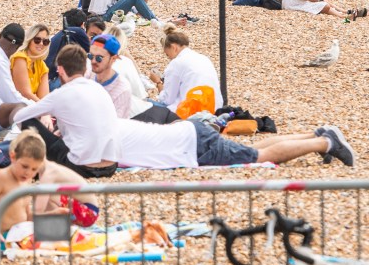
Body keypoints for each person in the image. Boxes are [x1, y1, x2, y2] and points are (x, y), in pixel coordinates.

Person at [13, 44, 120, 178]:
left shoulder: (61, 93)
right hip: (111, 166)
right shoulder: (99, 89)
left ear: (61, 70)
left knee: (27, 121)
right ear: (85, 68)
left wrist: (44, 117)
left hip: (80, 167)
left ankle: (33, 161)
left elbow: (19, 117)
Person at [0, 129, 98, 235]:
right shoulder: (2, 178)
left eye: (34, 169)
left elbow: (28, 217)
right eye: (25, 166)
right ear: (13, 157)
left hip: (21, 233)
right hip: (5, 235)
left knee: (66, 240)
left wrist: (52, 214)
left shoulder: (26, 181)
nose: (28, 173)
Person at [116, 117, 354, 170]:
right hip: (189, 133)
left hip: (191, 145)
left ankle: (325, 142)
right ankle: (313, 136)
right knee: (256, 149)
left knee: (259, 156)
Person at [156, 26, 223, 112]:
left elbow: (167, 100)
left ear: (174, 47)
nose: (169, 58)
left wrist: (158, 82)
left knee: (144, 105)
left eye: (167, 54)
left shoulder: (176, 63)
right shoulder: (203, 58)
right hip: (214, 108)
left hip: (189, 112)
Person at [86, 34, 135, 118]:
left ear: (113, 59)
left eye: (99, 58)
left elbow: (115, 126)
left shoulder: (122, 89)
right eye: (90, 56)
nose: (93, 61)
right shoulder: (88, 75)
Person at [9, 24, 51, 101]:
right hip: (15, 105)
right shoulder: (20, 58)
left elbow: (44, 97)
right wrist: (44, 108)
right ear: (29, 40)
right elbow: (24, 93)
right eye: (37, 40)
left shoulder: (42, 65)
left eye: (45, 41)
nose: (41, 44)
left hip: (30, 105)